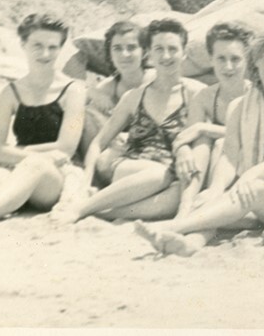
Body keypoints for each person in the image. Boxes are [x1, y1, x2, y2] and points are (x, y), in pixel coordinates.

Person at [133, 27, 264, 256]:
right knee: (211, 203)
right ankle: (190, 244)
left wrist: (251, 174)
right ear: (256, 62)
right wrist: (215, 188)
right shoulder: (240, 106)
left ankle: (172, 227)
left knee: (249, 190)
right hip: (257, 196)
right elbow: (230, 156)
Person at [53, 19, 204, 223]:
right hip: (131, 163)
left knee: (178, 194)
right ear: (150, 53)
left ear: (183, 53)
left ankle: (104, 213)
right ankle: (82, 208)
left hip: (171, 169)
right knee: (161, 175)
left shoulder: (195, 92)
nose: (166, 56)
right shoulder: (132, 97)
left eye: (172, 49)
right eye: (159, 49)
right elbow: (99, 141)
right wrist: (87, 177)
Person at [0, 13, 87, 229]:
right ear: (23, 44)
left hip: (57, 178)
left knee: (34, 164)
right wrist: (18, 156)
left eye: (53, 47)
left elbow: (66, 148)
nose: (45, 53)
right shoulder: (10, 93)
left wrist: (17, 153)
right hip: (19, 171)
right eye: (37, 45)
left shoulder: (74, 91)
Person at [170, 22, 254, 215]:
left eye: (235, 59)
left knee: (218, 142)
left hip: (245, 166)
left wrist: (205, 128)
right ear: (211, 60)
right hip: (211, 170)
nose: (228, 67)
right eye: (221, 59)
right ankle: (186, 205)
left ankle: (202, 206)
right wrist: (182, 150)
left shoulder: (255, 93)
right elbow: (189, 135)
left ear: (247, 60)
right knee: (201, 140)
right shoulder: (204, 97)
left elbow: (254, 135)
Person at [81, 21, 152, 173]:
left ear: (144, 52)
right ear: (110, 54)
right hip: (114, 152)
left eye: (131, 48)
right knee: (87, 114)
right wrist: (91, 92)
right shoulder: (109, 87)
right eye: (117, 48)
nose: (124, 54)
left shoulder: (153, 81)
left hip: (150, 153)